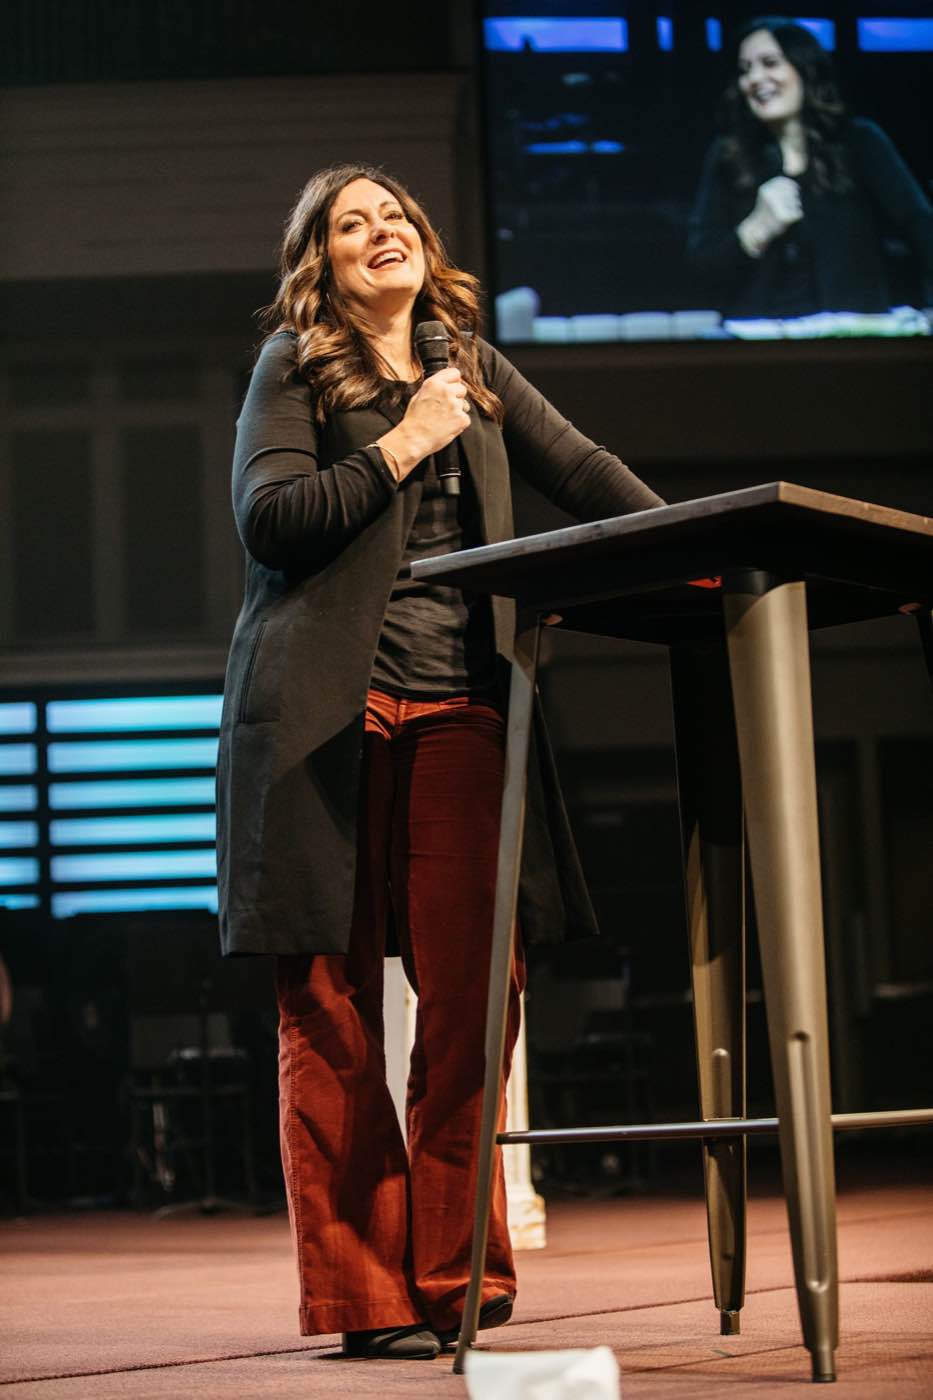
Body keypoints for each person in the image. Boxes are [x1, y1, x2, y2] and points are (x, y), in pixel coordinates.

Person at [215, 163, 664, 1361]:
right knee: (331, 1004)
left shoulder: (473, 364)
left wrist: (696, 558)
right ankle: (364, 1292)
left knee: (476, 996)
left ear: (424, 241)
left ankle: (456, 1273)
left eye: (395, 215)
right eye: (351, 224)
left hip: (464, 701)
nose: (381, 233)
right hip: (323, 713)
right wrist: (407, 442)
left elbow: (583, 465)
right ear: (322, 261)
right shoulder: (298, 367)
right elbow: (270, 521)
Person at [687, 16, 933, 320]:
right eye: (745, 70)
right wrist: (755, 230)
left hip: (850, 342)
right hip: (758, 346)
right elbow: (702, 266)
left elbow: (921, 227)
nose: (755, 79)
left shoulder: (859, 142)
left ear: (805, 69)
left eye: (770, 62)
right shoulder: (727, 157)